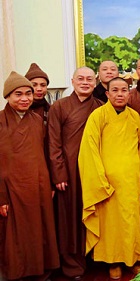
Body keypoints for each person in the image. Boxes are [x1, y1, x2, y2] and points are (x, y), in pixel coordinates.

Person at [79, 77, 140, 279]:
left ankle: (133, 259)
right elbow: (89, 149)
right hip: (107, 182)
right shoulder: (97, 116)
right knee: (111, 224)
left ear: (129, 93)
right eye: (114, 90)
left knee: (131, 221)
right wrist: (99, 178)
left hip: (131, 180)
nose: (119, 94)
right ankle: (113, 262)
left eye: (123, 90)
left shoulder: (135, 116)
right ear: (107, 94)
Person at [0, 71, 59, 280]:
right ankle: (17, 272)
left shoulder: (37, 120)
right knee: (15, 234)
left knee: (39, 230)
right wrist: (2, 197)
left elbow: (47, 152)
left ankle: (40, 271)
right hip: (11, 188)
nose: (25, 98)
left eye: (28, 93)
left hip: (38, 184)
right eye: (18, 94)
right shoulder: (0, 121)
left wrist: (51, 182)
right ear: (7, 96)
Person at [48, 67, 103, 280]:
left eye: (90, 79)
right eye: (80, 78)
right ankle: (72, 266)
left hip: (92, 171)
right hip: (68, 172)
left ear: (95, 82)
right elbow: (53, 143)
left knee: (91, 213)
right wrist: (58, 174)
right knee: (69, 218)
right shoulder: (59, 107)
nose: (85, 82)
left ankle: (91, 258)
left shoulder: (100, 107)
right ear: (72, 81)